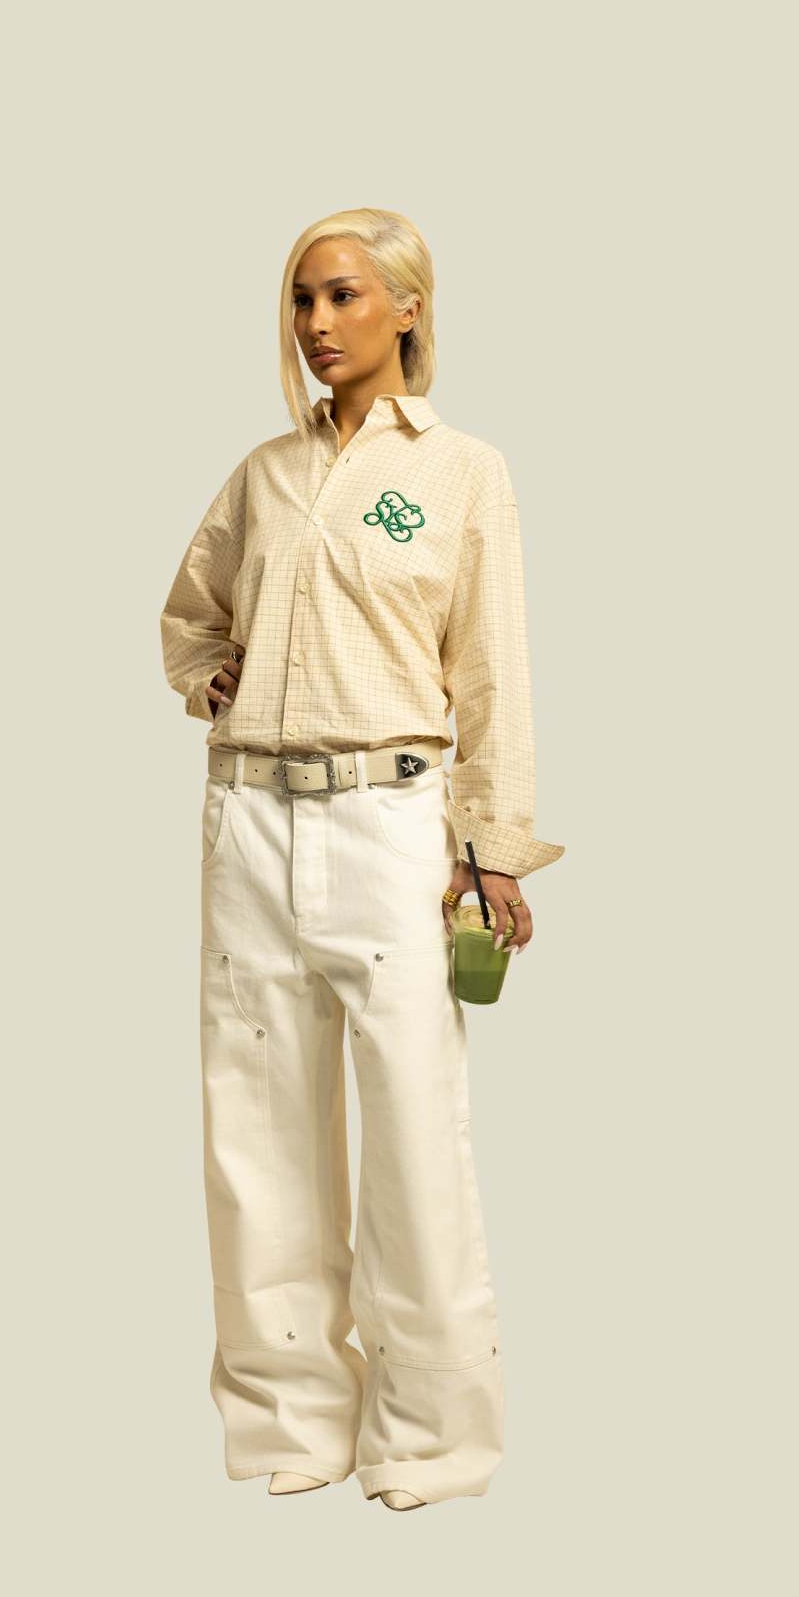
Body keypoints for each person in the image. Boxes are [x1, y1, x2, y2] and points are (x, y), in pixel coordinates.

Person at [158, 207, 564, 1510]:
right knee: (256, 1130)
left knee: (411, 1137)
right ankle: (290, 1420)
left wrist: (492, 852)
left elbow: (491, 672)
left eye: (342, 296)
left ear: (406, 306)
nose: (316, 323)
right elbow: (189, 614)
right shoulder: (264, 474)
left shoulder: (462, 472)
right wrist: (209, 679)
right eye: (300, 299)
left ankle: (433, 1434)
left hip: (392, 824)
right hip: (247, 823)